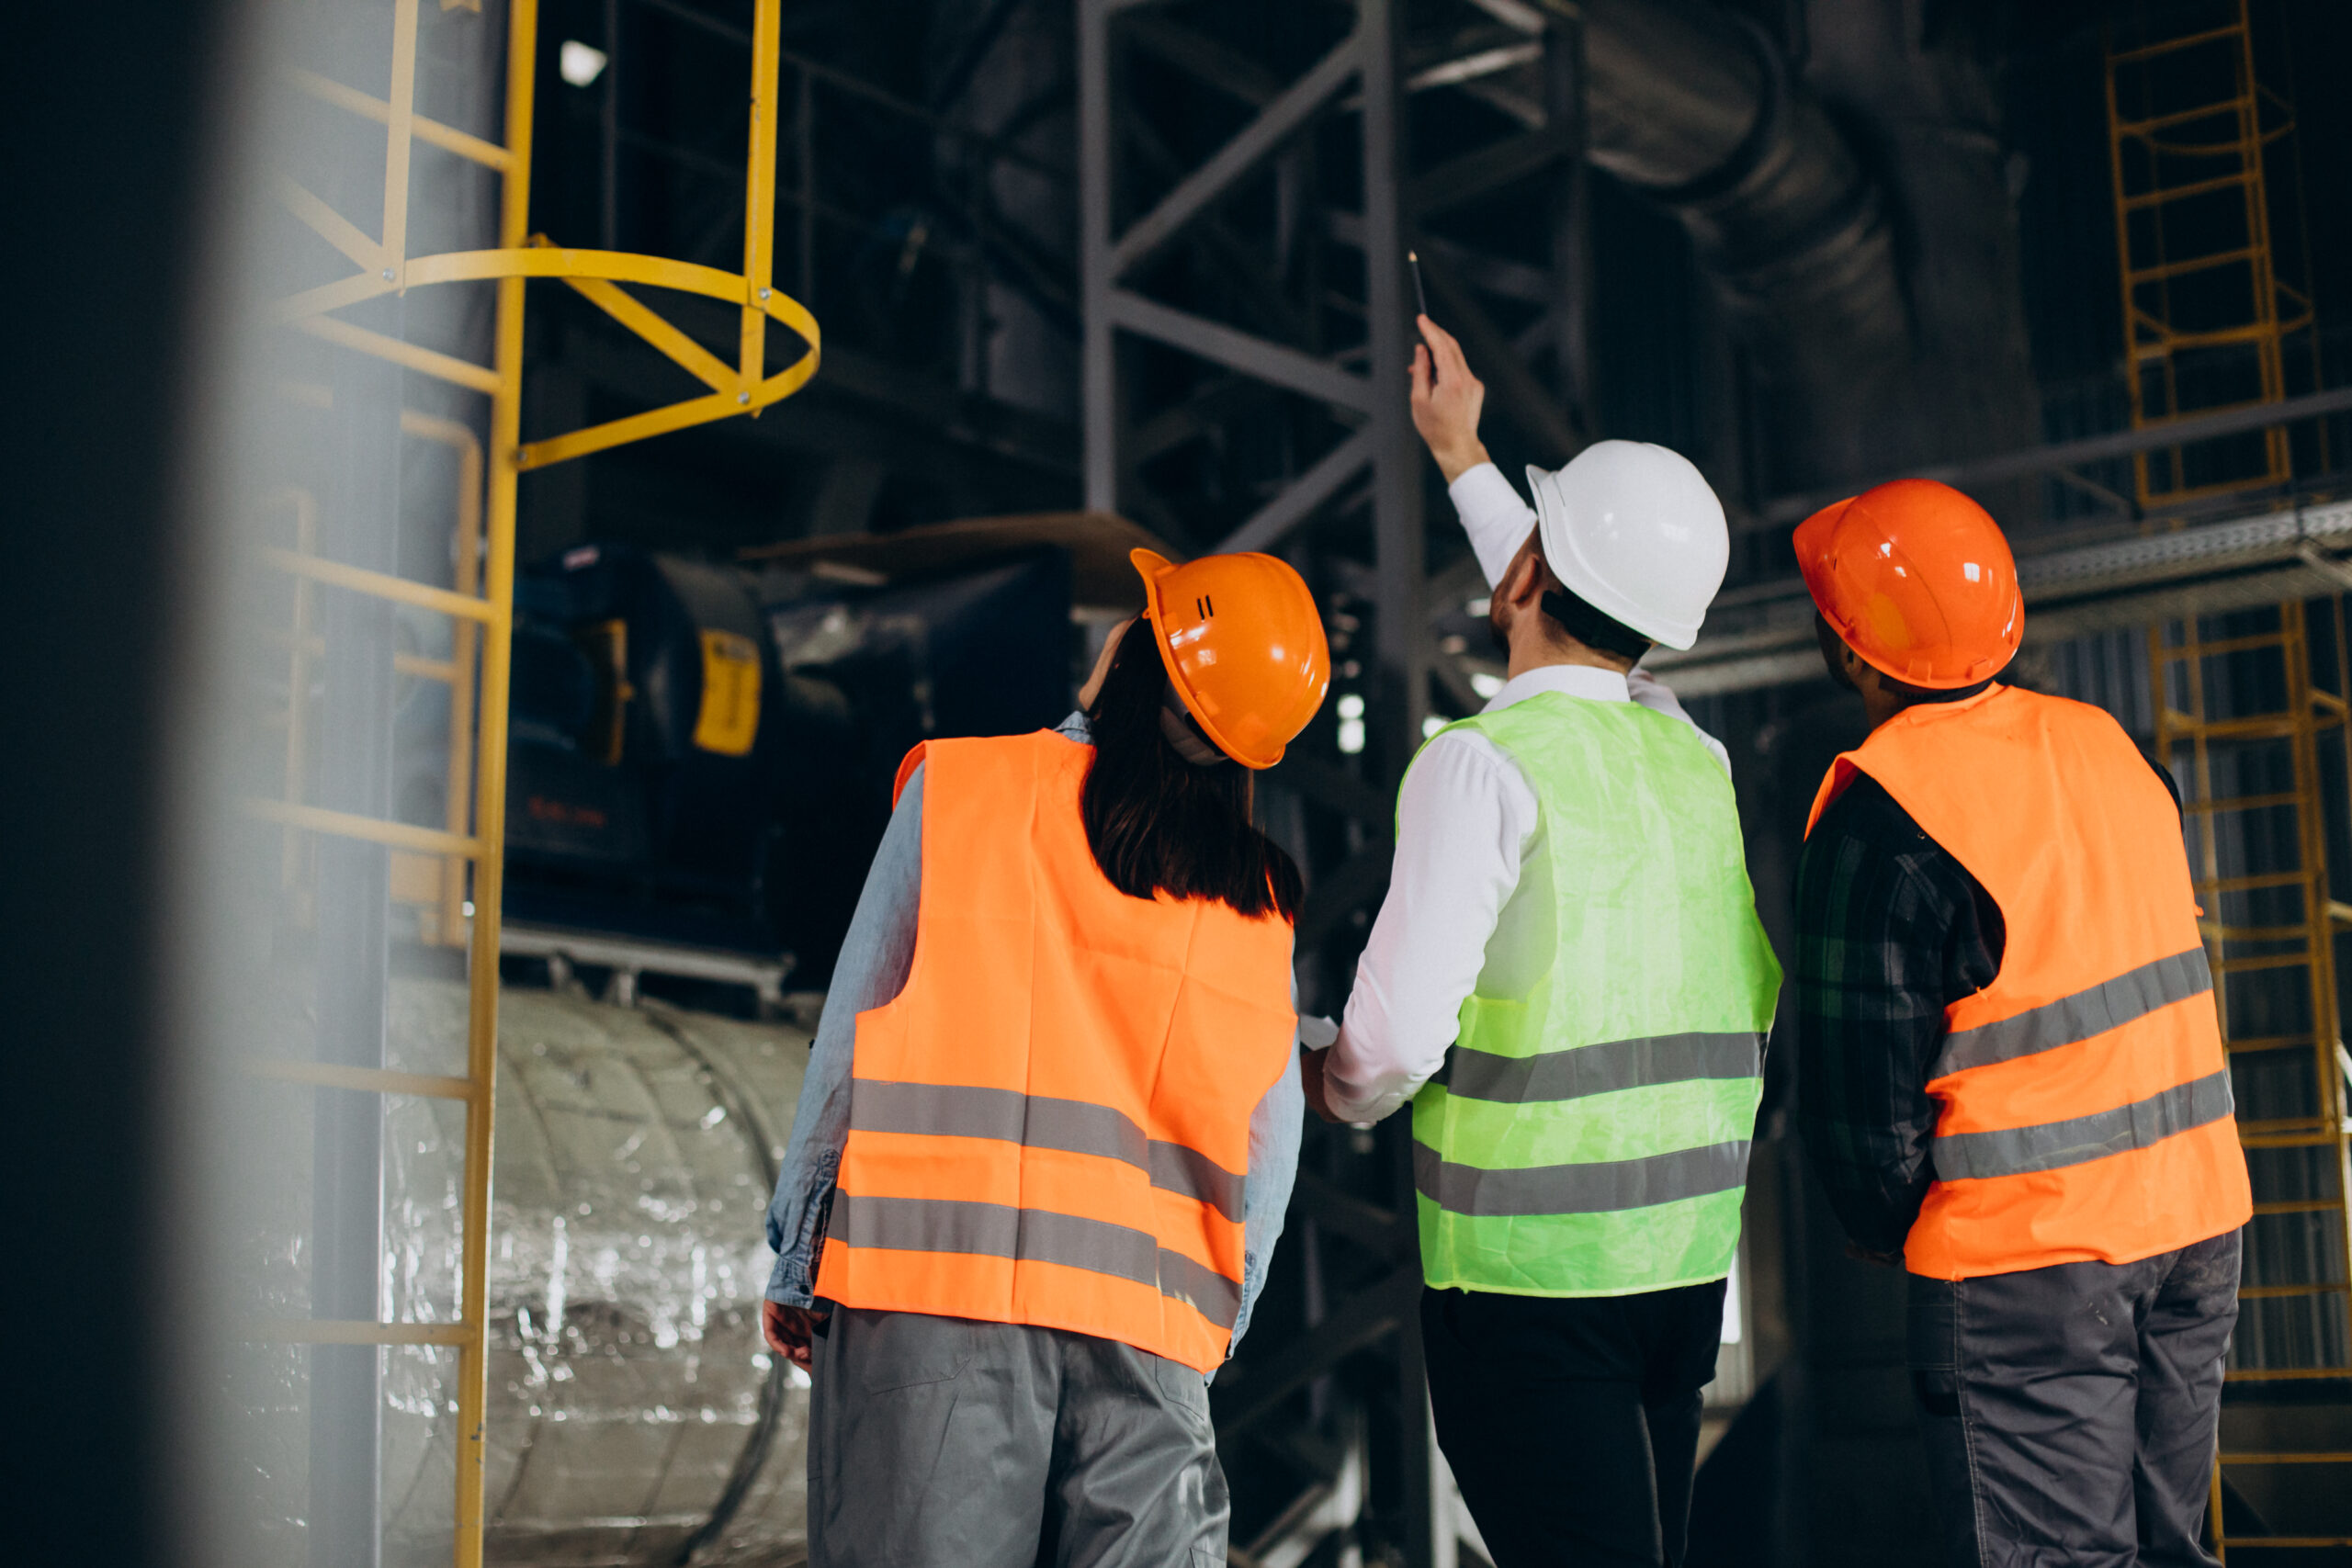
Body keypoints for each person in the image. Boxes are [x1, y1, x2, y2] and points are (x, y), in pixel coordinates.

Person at [1303, 316, 1783, 1568]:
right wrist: (1461, 454)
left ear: (1522, 583)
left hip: (1525, 1289)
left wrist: (1326, 1073)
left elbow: (1391, 1045)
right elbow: (1573, 591)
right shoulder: (1693, 756)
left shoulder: (1480, 768)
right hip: (1680, 1270)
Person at [760, 547, 1329, 1568]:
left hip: (932, 1300)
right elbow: (1269, 1144)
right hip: (1148, 1337)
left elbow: (853, 1028)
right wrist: (1212, 1333)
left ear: (1141, 656)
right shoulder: (1257, 901)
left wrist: (802, 1257)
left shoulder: (969, 792)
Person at [1789, 478, 2252, 1568]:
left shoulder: (1880, 817)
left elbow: (1864, 1125)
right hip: (2195, 1229)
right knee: (2168, 1551)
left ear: (1851, 652)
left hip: (2025, 1268)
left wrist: (1900, 1228)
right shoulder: (2111, 749)